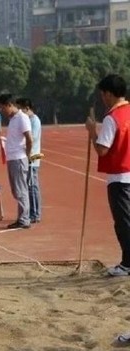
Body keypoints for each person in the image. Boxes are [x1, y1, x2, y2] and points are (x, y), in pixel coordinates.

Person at [86, 74, 130, 277]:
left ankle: (127, 264)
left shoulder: (112, 118)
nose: (102, 98)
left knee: (123, 222)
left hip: (120, 178)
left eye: (103, 94)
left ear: (110, 94)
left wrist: (92, 131)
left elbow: (102, 149)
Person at [0, 94, 32, 229]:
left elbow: (29, 139)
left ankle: (24, 219)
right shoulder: (13, 119)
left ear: (9, 105)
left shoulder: (22, 118)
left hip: (18, 158)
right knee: (16, 190)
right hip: (12, 158)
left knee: (21, 190)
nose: (1, 111)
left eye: (2, 108)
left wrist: (27, 156)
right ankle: (22, 217)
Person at [17, 98, 42, 224]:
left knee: (32, 186)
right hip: (28, 156)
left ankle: (35, 213)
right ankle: (32, 212)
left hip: (33, 157)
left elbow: (33, 138)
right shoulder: (27, 120)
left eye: (21, 108)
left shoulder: (34, 120)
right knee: (28, 186)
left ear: (27, 108)